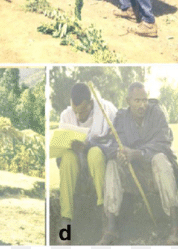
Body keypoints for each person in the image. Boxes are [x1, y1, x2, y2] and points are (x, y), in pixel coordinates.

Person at [97, 83, 178, 245]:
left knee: (160, 159)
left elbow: (164, 142)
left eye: (144, 100)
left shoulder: (157, 113)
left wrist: (137, 154)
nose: (142, 105)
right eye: (137, 101)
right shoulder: (121, 118)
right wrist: (120, 153)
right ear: (128, 100)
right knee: (112, 164)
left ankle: (175, 226)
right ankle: (111, 228)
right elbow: (113, 144)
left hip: (156, 176)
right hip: (133, 176)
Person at [56, 83, 116, 245]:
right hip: (76, 164)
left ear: (90, 103)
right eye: (75, 111)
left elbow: (114, 144)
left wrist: (89, 146)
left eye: (82, 111)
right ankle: (65, 224)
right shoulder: (66, 115)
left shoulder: (106, 110)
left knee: (95, 153)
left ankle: (104, 215)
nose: (78, 115)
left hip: (98, 162)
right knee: (67, 158)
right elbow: (60, 152)